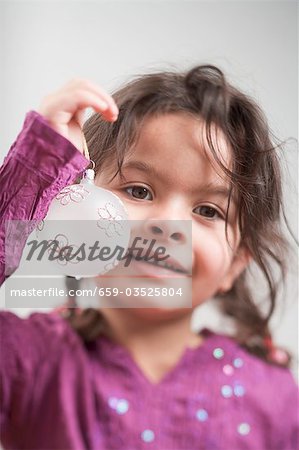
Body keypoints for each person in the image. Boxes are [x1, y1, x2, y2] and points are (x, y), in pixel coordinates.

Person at [0, 66, 298, 450]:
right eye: (138, 191)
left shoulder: (274, 398)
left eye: (208, 211)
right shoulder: (28, 361)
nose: (167, 225)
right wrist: (34, 170)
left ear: (236, 264)